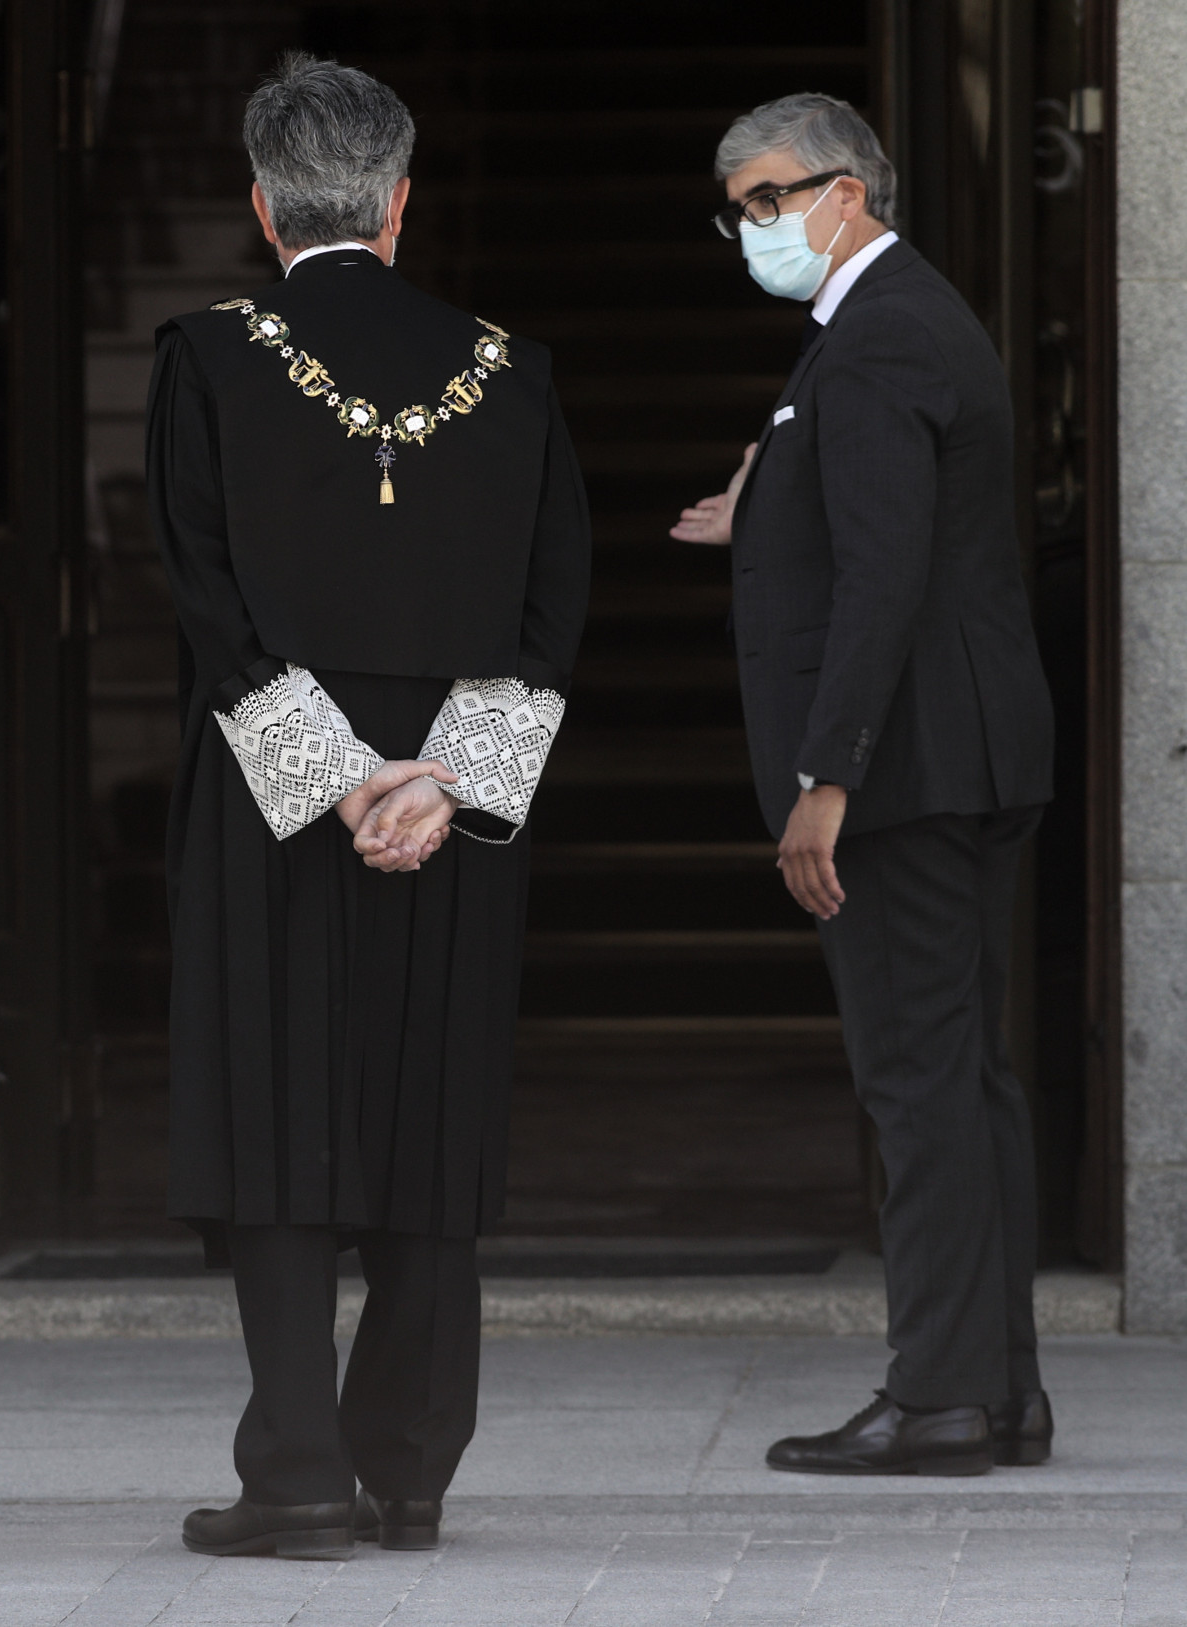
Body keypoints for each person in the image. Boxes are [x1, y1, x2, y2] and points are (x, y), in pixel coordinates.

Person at [147, 53, 590, 1556]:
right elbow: (552, 609)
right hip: (450, 814)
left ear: (266, 207)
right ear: (400, 205)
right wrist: (433, 788)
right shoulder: (513, 368)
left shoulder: (206, 357)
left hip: (276, 806)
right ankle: (406, 1467)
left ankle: (298, 1479)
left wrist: (333, 787)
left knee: (281, 1126)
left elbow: (207, 601)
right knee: (430, 1114)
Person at [672, 93, 1055, 1476]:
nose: (756, 226)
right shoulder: (888, 325)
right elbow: (873, 505)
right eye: (739, 206)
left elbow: (887, 575)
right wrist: (761, 505)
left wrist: (826, 777)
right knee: (966, 1078)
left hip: (905, 770)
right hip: (959, 751)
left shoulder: (880, 331)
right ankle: (996, 1391)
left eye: (774, 196)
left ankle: (943, 1394)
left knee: (918, 1084)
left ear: (853, 189)